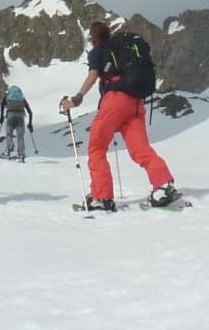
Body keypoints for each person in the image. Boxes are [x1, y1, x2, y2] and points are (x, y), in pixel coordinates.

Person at [59, 20, 180, 211]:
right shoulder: (120, 49)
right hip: (136, 102)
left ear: (93, 37)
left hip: (116, 99)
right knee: (140, 149)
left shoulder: (98, 51)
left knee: (97, 145)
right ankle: (163, 184)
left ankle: (101, 196)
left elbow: (93, 75)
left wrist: (76, 98)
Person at [0, 85, 34, 160]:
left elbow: (2, 105)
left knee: (9, 134)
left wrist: (1, 117)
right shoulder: (22, 99)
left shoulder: (8, 96)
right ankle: (21, 154)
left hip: (10, 115)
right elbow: (30, 112)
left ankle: (9, 150)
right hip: (21, 116)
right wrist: (30, 123)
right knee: (20, 136)